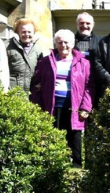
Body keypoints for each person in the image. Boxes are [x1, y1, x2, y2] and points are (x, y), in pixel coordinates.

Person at [29, 29, 93, 167]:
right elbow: (36, 84)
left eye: (67, 42)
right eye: (60, 42)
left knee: (74, 139)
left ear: (73, 43)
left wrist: (85, 107)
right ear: (55, 44)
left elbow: (89, 86)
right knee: (52, 137)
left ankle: (76, 168)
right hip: (51, 105)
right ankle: (53, 167)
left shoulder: (84, 63)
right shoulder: (45, 62)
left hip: (74, 106)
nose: (63, 45)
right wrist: (38, 105)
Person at [7, 18, 47, 92]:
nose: (27, 35)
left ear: (34, 33)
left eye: (29, 32)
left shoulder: (38, 50)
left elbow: (40, 72)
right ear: (17, 32)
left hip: (31, 94)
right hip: (12, 94)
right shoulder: (7, 46)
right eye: (23, 32)